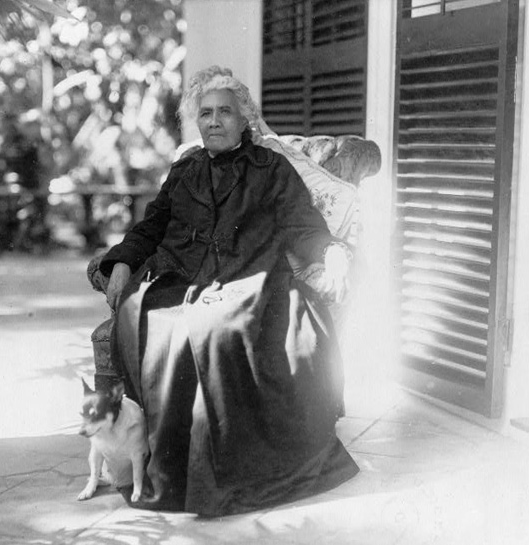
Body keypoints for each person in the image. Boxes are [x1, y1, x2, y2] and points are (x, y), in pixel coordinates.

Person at [96, 65, 359, 516]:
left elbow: (302, 225)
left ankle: (224, 477)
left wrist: (331, 251)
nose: (214, 121)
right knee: (147, 318)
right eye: (206, 113)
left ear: (244, 119)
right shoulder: (185, 169)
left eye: (225, 112)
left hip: (248, 276)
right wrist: (122, 260)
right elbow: (152, 225)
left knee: (216, 330)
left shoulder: (271, 168)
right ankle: (167, 467)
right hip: (182, 274)